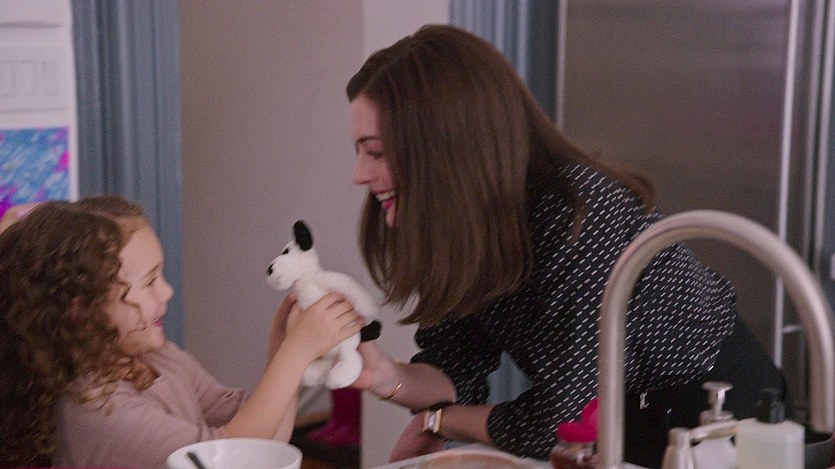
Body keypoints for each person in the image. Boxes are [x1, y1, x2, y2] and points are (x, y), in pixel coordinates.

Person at [340, 24, 788, 467]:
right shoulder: (468, 225)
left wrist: (443, 421)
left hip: (715, 418)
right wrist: (386, 376)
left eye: (376, 152)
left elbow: (557, 421)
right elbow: (456, 368)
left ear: (443, 146)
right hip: (619, 424)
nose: (359, 174)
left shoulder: (577, 214)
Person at [0, 196, 363, 469]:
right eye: (149, 282)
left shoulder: (159, 357)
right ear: (82, 309)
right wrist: (293, 356)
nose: (167, 291)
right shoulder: (96, 408)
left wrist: (285, 353)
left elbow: (264, 440)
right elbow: (230, 458)